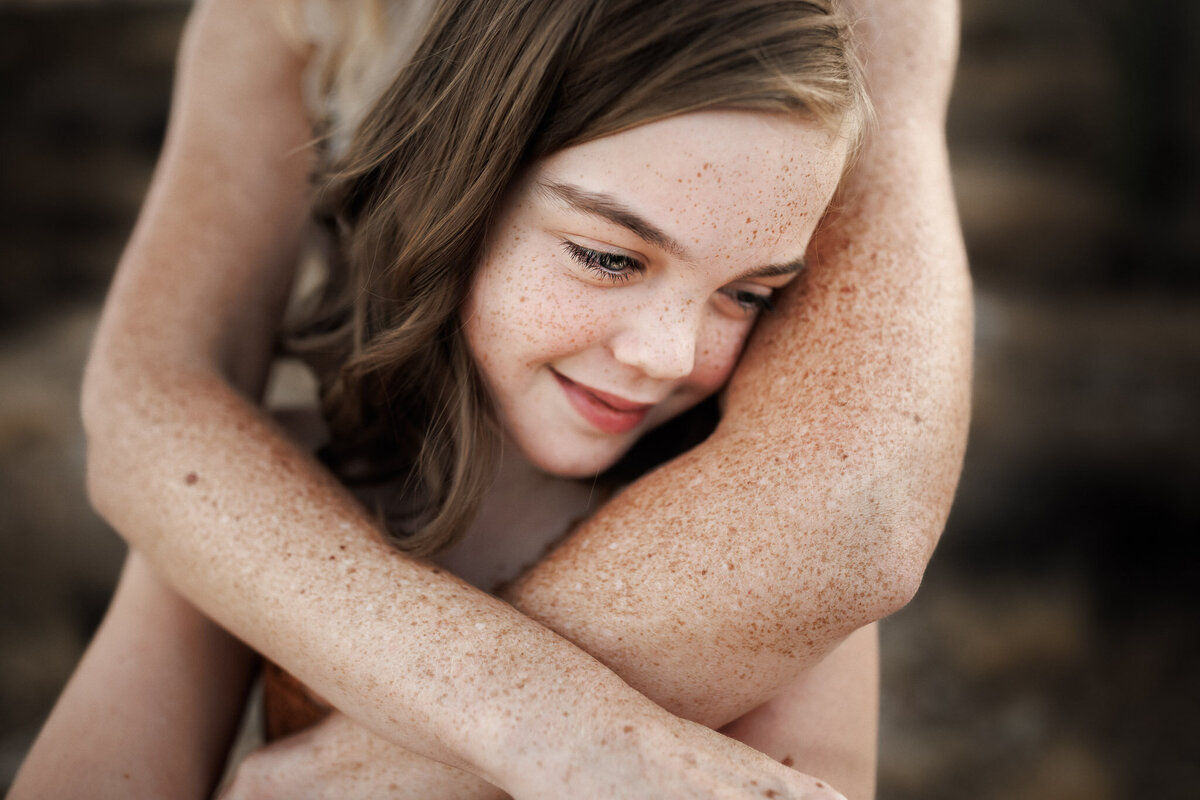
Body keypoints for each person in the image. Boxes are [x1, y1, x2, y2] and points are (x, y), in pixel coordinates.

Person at [11, 0, 971, 797]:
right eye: (606, 256)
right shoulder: (277, 487)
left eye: (750, 294)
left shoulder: (749, 522)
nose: (666, 355)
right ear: (457, 200)